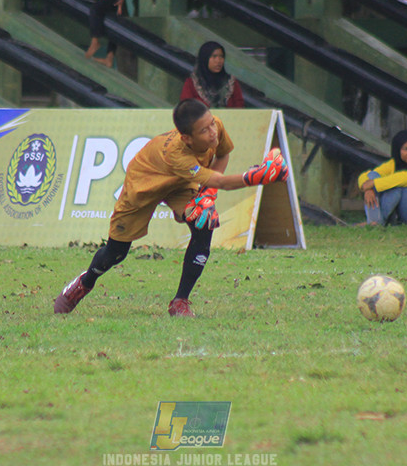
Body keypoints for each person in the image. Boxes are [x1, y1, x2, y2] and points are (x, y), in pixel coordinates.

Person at [55, 98, 289, 317]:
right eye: (204, 130)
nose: (213, 132)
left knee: (204, 219)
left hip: (180, 183)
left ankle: (180, 301)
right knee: (116, 253)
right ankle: (85, 283)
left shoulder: (215, 125)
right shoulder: (177, 154)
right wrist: (257, 176)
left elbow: (223, 154)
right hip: (144, 185)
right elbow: (219, 181)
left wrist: (207, 195)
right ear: (187, 138)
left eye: (211, 125)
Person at [357, 129, 407, 227]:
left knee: (399, 184)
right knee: (373, 176)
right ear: (397, 150)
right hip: (402, 218)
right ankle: (375, 221)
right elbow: (368, 175)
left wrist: (373, 184)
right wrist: (367, 189)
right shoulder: (393, 164)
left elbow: (406, 178)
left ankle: (376, 222)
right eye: (406, 149)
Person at [180, 41, 245, 109]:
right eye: (214, 57)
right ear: (205, 59)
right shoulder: (192, 83)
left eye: (221, 57)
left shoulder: (231, 83)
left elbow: (239, 109)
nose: (218, 61)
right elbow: (186, 110)